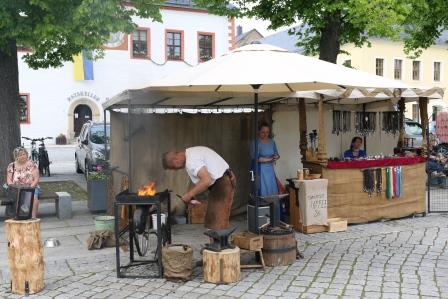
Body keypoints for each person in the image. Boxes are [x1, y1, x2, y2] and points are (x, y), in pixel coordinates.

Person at [162, 146, 236, 230]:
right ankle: (217, 242)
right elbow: (204, 180)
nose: (176, 170)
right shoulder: (191, 153)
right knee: (212, 222)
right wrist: (193, 195)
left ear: (175, 159)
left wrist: (189, 194)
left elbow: (206, 180)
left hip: (221, 183)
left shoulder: (191, 161)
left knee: (216, 223)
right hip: (222, 181)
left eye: (173, 167)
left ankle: (219, 243)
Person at [6, 147, 40, 218]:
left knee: (33, 198)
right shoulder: (11, 166)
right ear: (16, 157)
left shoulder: (32, 164)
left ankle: (33, 217)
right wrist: (13, 188)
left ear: (27, 154)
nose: (22, 156)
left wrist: (29, 188)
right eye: (20, 155)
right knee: (17, 198)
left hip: (31, 187)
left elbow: (36, 179)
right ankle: (18, 216)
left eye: (24, 154)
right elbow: (9, 180)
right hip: (16, 188)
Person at [251, 122, 280, 196]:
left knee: (272, 189)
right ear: (259, 132)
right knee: (263, 190)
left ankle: (273, 207)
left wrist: (276, 156)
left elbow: (277, 154)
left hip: (270, 169)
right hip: (261, 170)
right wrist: (270, 159)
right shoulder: (255, 143)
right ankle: (264, 206)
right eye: (263, 132)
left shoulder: (271, 142)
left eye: (267, 132)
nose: (265, 134)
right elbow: (256, 159)